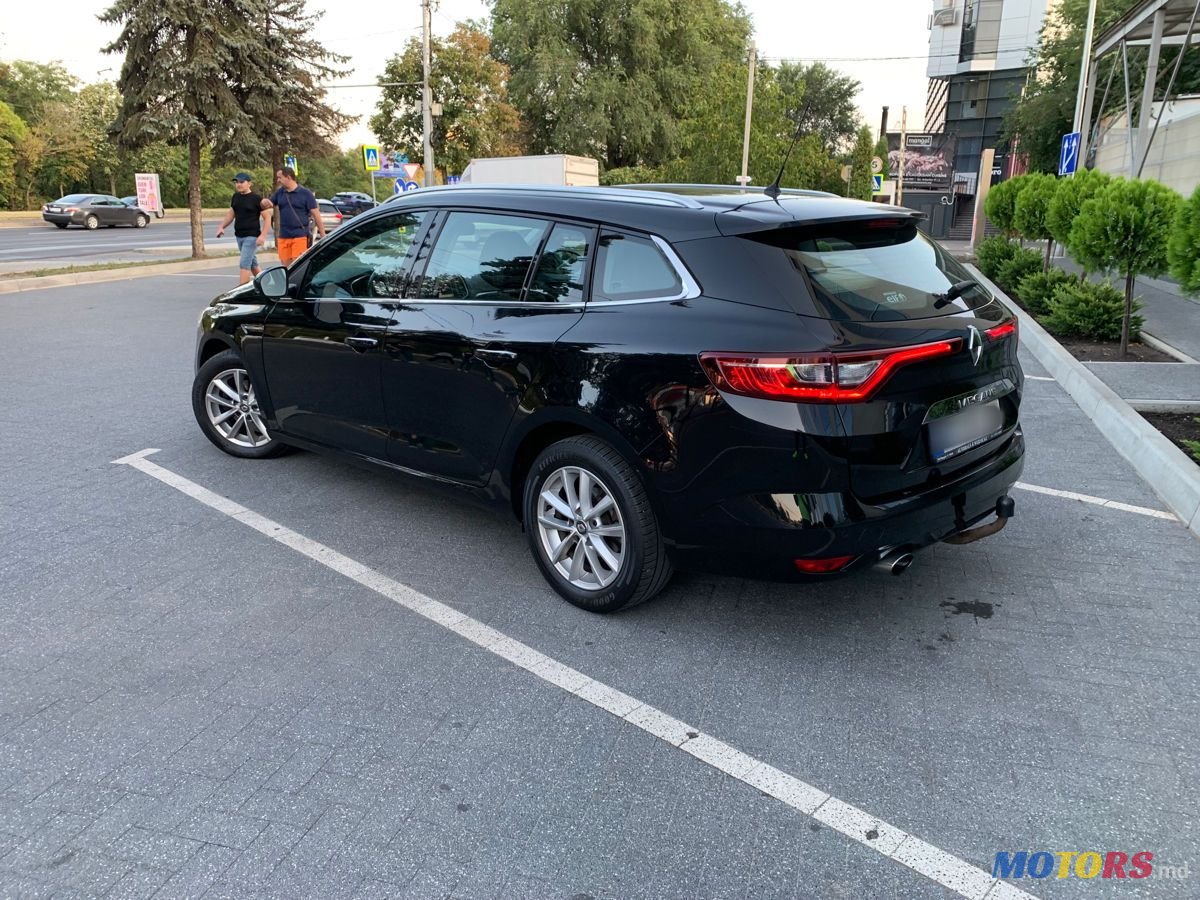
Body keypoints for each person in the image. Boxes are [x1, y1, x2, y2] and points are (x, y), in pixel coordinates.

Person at [215, 173, 272, 284]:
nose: (239, 184)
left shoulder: (256, 199)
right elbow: (231, 214)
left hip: (252, 236)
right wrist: (221, 227)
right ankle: (268, 285)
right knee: (253, 264)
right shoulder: (236, 197)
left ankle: (241, 292)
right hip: (239, 236)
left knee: (244, 264)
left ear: (249, 183)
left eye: (242, 182)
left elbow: (267, 217)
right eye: (237, 182)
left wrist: (263, 235)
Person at [266, 166, 325, 266]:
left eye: (280, 177)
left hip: (300, 235)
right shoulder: (280, 192)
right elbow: (269, 203)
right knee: (286, 267)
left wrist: (323, 234)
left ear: (288, 177)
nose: (278, 180)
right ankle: (288, 281)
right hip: (284, 235)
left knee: (297, 265)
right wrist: (264, 202)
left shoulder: (306, 194)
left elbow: (316, 214)